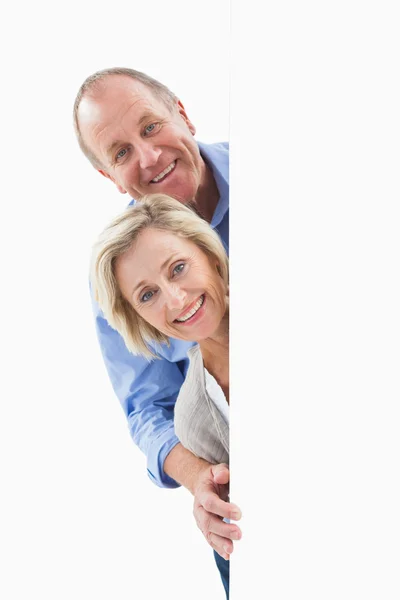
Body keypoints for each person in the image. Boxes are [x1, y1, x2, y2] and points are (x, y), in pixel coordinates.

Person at [73, 67, 240, 595]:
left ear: (182, 114)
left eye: (149, 128)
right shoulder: (117, 282)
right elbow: (148, 410)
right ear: (108, 175)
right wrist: (201, 484)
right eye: (120, 153)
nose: (148, 159)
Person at [90, 193, 229, 467]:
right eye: (147, 295)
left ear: (211, 255)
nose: (176, 300)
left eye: (178, 268)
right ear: (140, 320)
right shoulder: (195, 419)